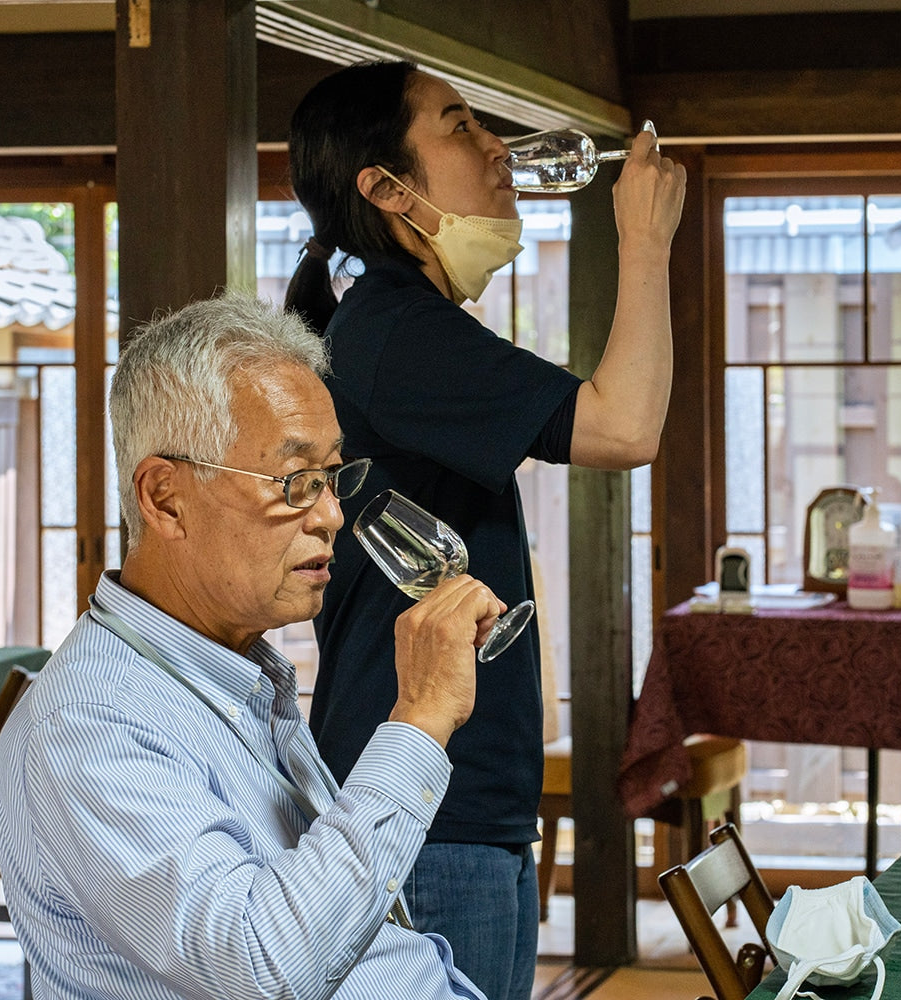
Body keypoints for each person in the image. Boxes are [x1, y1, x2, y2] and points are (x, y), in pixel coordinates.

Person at [285, 60, 686, 1000]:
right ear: (385, 189)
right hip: (428, 799)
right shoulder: (395, 328)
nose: (496, 147)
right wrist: (645, 243)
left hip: (453, 793)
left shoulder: (400, 321)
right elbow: (624, 427)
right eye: (458, 126)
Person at [0, 292, 507, 1000]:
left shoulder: (236, 675)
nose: (330, 516)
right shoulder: (91, 721)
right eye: (296, 482)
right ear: (165, 498)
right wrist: (418, 718)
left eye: (332, 478)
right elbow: (263, 966)